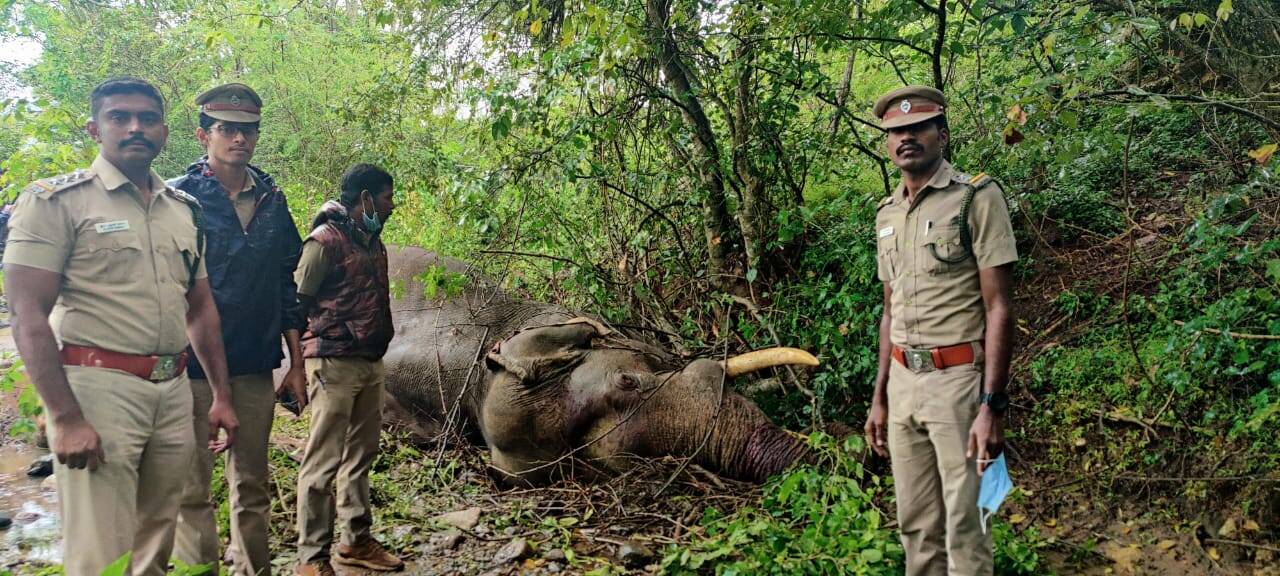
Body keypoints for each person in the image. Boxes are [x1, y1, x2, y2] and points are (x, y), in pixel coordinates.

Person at [3, 77, 238, 576]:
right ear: (95, 128)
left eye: (147, 118)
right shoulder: (56, 202)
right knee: (102, 553)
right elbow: (27, 315)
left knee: (156, 536)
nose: (135, 127)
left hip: (172, 390)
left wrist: (220, 395)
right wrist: (64, 417)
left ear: (164, 132)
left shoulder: (184, 210)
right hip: (99, 389)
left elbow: (200, 307)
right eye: (119, 117)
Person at [862, 85, 1017, 575]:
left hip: (958, 386)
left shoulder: (976, 196)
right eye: (895, 131)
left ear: (941, 134)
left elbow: (999, 308)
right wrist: (880, 396)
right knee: (916, 525)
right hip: (904, 383)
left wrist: (991, 406)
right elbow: (891, 312)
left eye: (917, 128)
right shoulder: (886, 214)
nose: (905, 138)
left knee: (966, 526)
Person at [169, 83, 309, 576]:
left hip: (253, 363)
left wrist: (296, 363)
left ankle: (255, 568)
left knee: (252, 483)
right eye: (227, 129)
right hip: (189, 369)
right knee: (192, 488)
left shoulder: (271, 198)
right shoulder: (177, 199)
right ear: (203, 134)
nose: (239, 139)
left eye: (247, 130)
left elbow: (283, 283)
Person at [293, 163, 402, 575]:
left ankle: (355, 542)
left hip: (369, 363)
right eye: (388, 197)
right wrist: (297, 367)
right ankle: (311, 558)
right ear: (366, 199)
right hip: (332, 363)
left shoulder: (373, 242)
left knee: (361, 455)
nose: (393, 206)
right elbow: (297, 304)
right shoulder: (324, 243)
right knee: (323, 461)